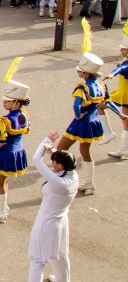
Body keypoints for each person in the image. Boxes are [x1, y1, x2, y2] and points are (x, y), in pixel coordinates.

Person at [54, 33, 124, 195]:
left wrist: (78, 115)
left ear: (86, 74)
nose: (78, 73)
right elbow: (108, 102)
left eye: (80, 71)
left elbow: (77, 106)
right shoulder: (101, 86)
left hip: (81, 122)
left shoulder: (82, 88)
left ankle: (66, 179)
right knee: (85, 152)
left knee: (61, 150)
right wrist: (121, 115)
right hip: (93, 122)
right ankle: (88, 182)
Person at [27, 132, 78, 282]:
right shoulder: (73, 176)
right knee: (61, 255)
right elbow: (65, 162)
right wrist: (54, 151)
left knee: (37, 261)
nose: (52, 164)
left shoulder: (57, 182)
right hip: (61, 222)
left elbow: (36, 159)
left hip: (46, 224)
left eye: (55, 162)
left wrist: (46, 141)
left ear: (60, 165)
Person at [0, 59, 31, 223]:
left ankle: (0, 211)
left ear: (17, 102)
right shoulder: (24, 115)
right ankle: (3, 206)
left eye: (8, 101)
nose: (4, 103)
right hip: (18, 150)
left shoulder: (4, 120)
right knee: (3, 180)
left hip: (4, 153)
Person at [103, 27, 128, 158]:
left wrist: (112, 74)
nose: (120, 50)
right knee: (126, 121)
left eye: (123, 49)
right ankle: (124, 148)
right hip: (125, 94)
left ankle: (108, 133)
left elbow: (122, 68)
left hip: (125, 94)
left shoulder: (127, 63)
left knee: (100, 104)